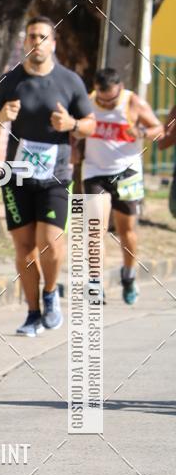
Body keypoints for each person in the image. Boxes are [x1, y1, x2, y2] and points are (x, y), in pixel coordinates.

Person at [0, 16, 96, 336]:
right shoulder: (9, 81)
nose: (37, 42)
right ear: (25, 40)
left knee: (50, 244)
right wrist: (3, 115)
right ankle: (32, 313)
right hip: (16, 178)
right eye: (32, 36)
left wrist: (71, 125)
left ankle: (51, 293)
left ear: (53, 43)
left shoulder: (69, 81)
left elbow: (91, 124)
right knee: (25, 248)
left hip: (56, 176)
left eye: (43, 37)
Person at [83, 66, 163, 304]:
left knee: (127, 231)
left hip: (127, 173)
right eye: (102, 99)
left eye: (111, 100)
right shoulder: (88, 101)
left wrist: (140, 131)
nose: (106, 104)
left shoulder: (132, 102)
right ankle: (95, 282)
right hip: (95, 171)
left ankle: (128, 275)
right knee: (96, 228)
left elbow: (158, 130)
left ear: (119, 89)